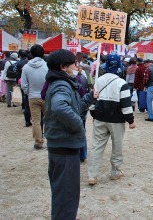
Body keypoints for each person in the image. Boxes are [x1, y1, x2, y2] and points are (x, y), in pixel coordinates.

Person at [43, 49, 97, 220]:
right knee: (66, 193)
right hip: (64, 145)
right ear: (62, 67)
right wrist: (78, 127)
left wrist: (89, 98)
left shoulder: (63, 82)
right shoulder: (61, 84)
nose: (76, 65)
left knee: (64, 192)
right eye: (73, 63)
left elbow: (74, 107)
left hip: (63, 144)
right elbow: (60, 107)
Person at [88, 54, 135, 186]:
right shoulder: (122, 83)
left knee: (97, 146)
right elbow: (126, 105)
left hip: (100, 118)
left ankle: (92, 175)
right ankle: (115, 172)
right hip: (116, 120)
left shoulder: (98, 80)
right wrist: (130, 121)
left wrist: (94, 115)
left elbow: (92, 100)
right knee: (117, 146)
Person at [21, 45, 48, 149]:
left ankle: (38, 142)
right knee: (48, 119)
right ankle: (50, 139)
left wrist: (29, 92)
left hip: (33, 97)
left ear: (31, 54)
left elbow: (23, 85)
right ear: (42, 53)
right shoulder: (46, 66)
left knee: (36, 121)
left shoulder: (26, 67)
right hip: (45, 96)